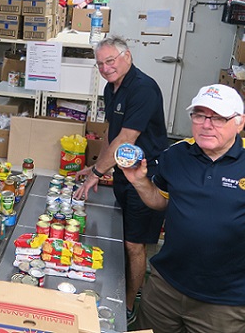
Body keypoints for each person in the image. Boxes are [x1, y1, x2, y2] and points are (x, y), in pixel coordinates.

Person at [121, 84, 245, 333]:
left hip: (226, 302)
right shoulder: (175, 155)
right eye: (199, 115)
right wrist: (138, 181)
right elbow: (161, 200)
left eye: (218, 118)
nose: (206, 125)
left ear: (240, 122)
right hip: (165, 288)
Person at [74, 35, 168, 323]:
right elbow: (111, 133)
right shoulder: (110, 87)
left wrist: (96, 175)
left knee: (134, 244)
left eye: (110, 61)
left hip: (146, 176)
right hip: (124, 173)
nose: (105, 68)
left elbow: (126, 138)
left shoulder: (143, 89)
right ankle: (125, 286)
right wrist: (96, 166)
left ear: (127, 57)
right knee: (123, 236)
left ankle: (128, 307)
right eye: (100, 64)